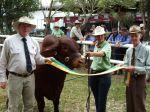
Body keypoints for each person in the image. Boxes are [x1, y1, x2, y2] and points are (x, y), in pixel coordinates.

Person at [0, 16, 51, 112]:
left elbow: (38, 59)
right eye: (23, 25)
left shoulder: (34, 42)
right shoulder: (9, 41)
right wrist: (2, 78)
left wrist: (47, 60)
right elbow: (2, 62)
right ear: (18, 27)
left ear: (30, 28)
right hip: (14, 78)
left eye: (28, 26)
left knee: (29, 106)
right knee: (13, 107)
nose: (25, 28)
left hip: (30, 78)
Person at [123, 25, 150, 112]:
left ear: (140, 36)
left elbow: (148, 69)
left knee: (139, 107)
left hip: (140, 81)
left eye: (136, 36)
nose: (134, 38)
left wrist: (135, 68)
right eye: (132, 36)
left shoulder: (146, 50)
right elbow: (126, 65)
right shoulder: (128, 51)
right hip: (129, 81)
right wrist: (123, 66)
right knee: (130, 106)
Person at [86, 26, 111, 112]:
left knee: (101, 100)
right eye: (97, 36)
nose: (99, 37)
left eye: (101, 35)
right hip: (93, 74)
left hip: (104, 75)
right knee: (97, 98)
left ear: (104, 35)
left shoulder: (107, 45)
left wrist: (92, 53)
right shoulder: (97, 44)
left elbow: (102, 53)